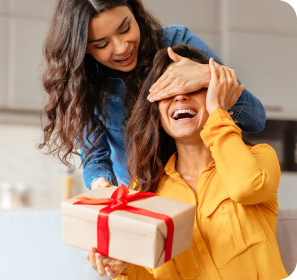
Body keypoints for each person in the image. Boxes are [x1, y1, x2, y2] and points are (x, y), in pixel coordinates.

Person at [86, 45, 288, 280]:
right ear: (157, 113)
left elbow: (246, 188)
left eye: (192, 87)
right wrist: (125, 269)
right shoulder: (145, 190)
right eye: (168, 90)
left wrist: (217, 112)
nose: (180, 96)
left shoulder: (260, 157)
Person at [39, 0, 266, 191]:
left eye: (125, 29)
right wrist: (102, 185)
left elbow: (256, 119)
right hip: (145, 198)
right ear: (83, 48)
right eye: (103, 44)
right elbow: (95, 159)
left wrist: (208, 74)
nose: (121, 48)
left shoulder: (175, 42)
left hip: (207, 188)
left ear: (134, 12)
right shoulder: (85, 82)